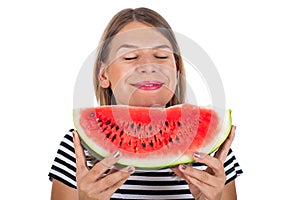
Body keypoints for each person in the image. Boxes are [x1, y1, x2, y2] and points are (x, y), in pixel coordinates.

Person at [49, 7, 243, 200]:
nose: (148, 66)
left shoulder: (214, 154)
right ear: (103, 74)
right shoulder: (77, 150)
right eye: (130, 57)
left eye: (161, 56)